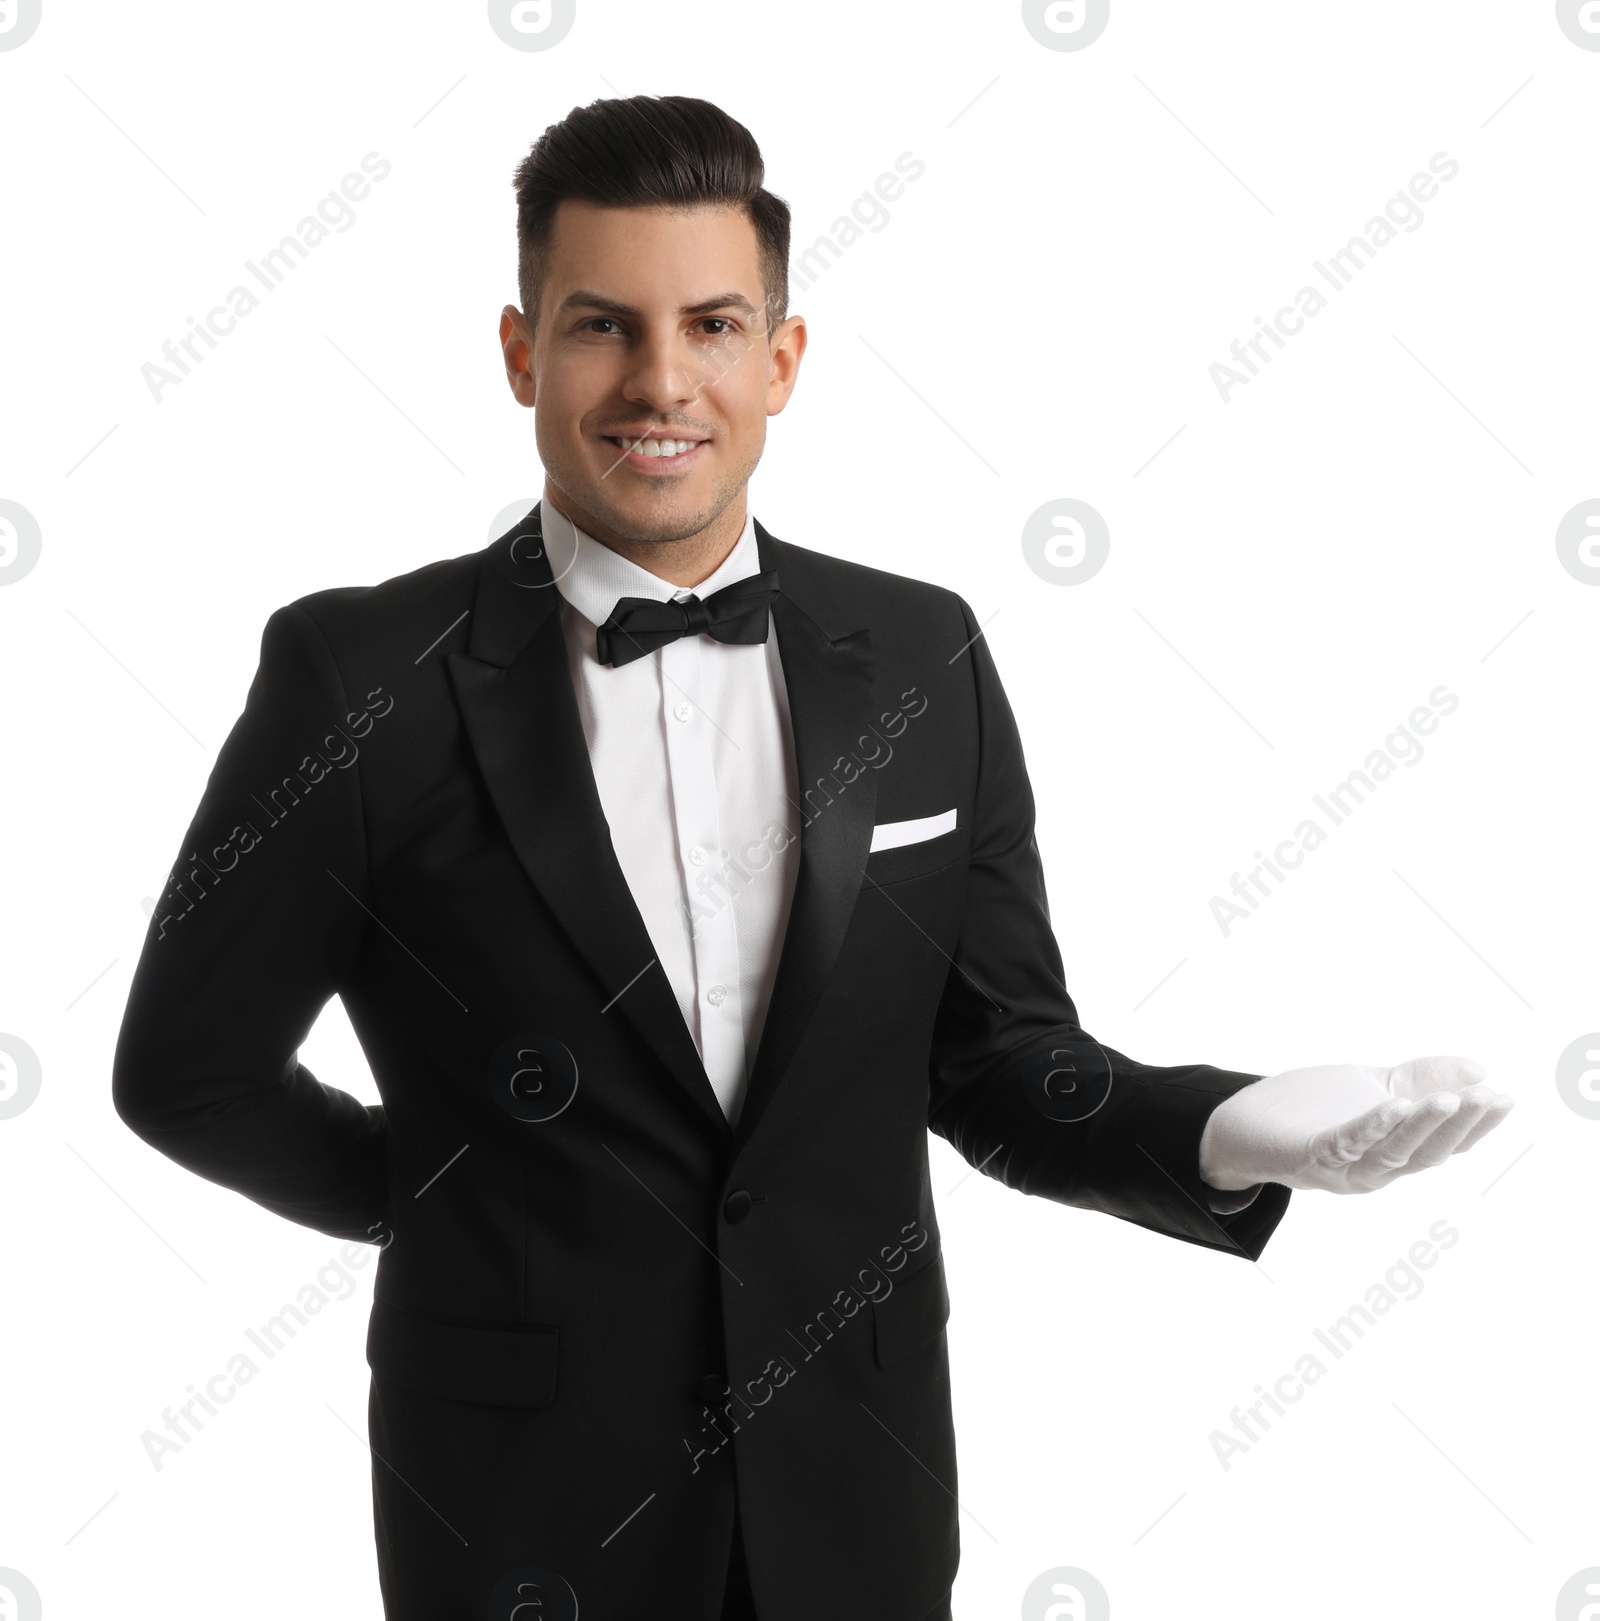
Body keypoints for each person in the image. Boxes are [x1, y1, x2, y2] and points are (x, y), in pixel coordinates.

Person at [112, 95, 1514, 1621]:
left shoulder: (925, 651)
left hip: (858, 1487)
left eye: (713, 324)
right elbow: (190, 1070)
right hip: (520, 1505)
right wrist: (447, 1196)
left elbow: (999, 1063)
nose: (662, 380)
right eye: (602, 327)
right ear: (522, 352)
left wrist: (1234, 1127)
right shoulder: (359, 677)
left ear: (780, 358)